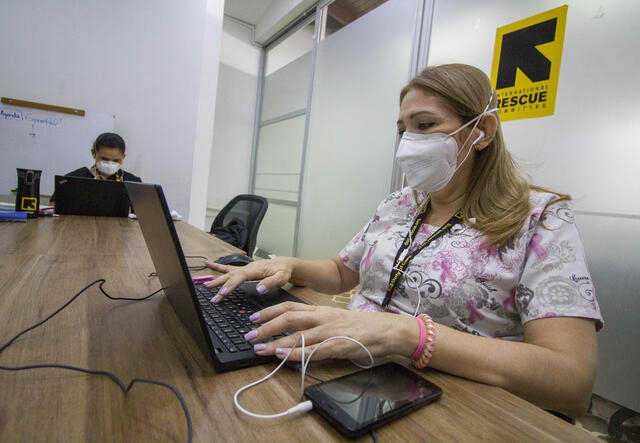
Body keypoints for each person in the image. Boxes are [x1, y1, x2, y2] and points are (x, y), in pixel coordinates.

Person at [204, 64, 603, 418]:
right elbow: (343, 272)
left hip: (454, 406)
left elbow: (571, 383)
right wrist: (289, 265)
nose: (407, 144)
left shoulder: (539, 218)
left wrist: (406, 333)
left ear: (482, 132)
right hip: (353, 376)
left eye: (425, 125)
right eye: (402, 130)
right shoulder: (401, 203)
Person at [65, 132, 142, 182]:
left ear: (123, 157)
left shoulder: (133, 182)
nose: (110, 164)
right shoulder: (72, 179)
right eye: (104, 159)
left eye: (116, 160)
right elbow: (55, 205)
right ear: (93, 153)